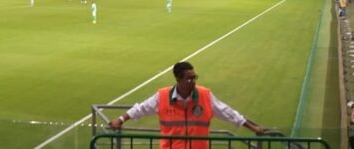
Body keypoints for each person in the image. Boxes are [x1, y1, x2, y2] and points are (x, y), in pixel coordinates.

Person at [109, 62, 263, 149]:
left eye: (194, 77)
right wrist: (121, 119)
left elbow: (229, 113)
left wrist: (253, 128)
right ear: (178, 79)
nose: (193, 81)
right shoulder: (162, 96)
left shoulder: (205, 95)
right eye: (189, 79)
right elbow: (141, 108)